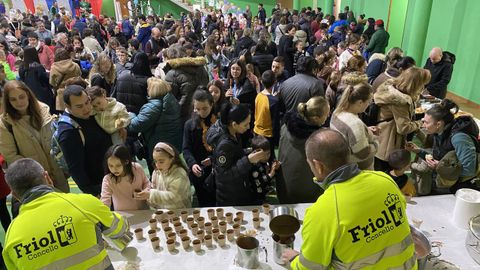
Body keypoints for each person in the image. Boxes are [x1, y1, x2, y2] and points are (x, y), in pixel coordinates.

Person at [282, 129, 417, 269]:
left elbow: (309, 267)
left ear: (317, 165)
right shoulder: (384, 179)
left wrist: (294, 259)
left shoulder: (322, 212)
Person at [2, 158, 129, 269]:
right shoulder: (84, 204)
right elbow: (121, 229)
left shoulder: (10, 239)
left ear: (14, 195)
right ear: (47, 178)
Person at [0, 80, 68, 193]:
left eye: (21, 97)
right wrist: (38, 174)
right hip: (33, 180)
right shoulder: (5, 124)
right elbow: (11, 156)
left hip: (58, 175)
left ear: (28, 94)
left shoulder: (44, 110)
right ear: (8, 101)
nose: (19, 102)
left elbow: (54, 143)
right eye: (13, 99)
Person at [406, 99, 479, 194]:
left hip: (458, 189)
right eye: (423, 121)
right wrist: (418, 151)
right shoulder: (438, 132)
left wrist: (440, 167)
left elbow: (469, 170)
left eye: (426, 122)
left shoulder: (459, 138)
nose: (423, 125)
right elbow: (439, 159)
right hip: (443, 180)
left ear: (438, 124)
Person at [206, 103, 269, 206]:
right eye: (245, 124)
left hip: (237, 188)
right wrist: (248, 160)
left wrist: (248, 152)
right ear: (234, 124)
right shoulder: (225, 144)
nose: (248, 127)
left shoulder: (233, 133)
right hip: (229, 196)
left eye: (249, 123)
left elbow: (234, 156)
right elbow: (224, 175)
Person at [58, 85, 112, 196]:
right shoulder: (68, 131)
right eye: (79, 106)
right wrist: (93, 192)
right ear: (68, 106)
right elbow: (75, 169)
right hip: (99, 186)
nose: (86, 109)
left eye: (87, 102)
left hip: (113, 176)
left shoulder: (93, 113)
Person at [373, 67, 431, 171]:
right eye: (422, 84)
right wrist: (420, 123)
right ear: (415, 84)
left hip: (381, 137)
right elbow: (404, 128)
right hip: (389, 142)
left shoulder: (393, 88)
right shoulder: (400, 101)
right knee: (387, 173)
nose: (423, 87)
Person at [277, 96, 329, 203]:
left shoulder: (285, 127)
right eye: (326, 114)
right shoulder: (320, 139)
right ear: (316, 118)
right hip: (307, 192)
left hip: (283, 185)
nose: (328, 116)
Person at [127, 78, 182, 172]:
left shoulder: (153, 106)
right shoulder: (171, 100)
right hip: (172, 144)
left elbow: (135, 125)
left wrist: (130, 115)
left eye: (148, 88)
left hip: (158, 146)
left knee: (158, 173)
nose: (147, 89)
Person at [330, 82, 378, 170]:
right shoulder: (355, 123)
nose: (369, 105)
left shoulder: (337, 112)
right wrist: (375, 142)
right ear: (360, 102)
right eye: (369, 101)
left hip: (343, 166)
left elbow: (348, 135)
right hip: (359, 169)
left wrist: (366, 130)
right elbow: (362, 153)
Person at [183, 90, 217, 207]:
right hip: (199, 170)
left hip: (217, 168)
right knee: (203, 201)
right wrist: (192, 164)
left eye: (205, 108)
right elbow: (186, 149)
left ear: (212, 105)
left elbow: (227, 147)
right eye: (197, 109)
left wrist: (213, 158)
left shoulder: (219, 123)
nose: (201, 112)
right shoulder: (189, 125)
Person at [135, 142, 191, 209]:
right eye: (155, 161)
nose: (157, 165)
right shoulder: (156, 172)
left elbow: (174, 197)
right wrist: (147, 195)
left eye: (161, 161)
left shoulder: (180, 173)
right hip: (164, 214)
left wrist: (151, 194)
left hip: (181, 213)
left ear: (172, 159)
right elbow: (154, 193)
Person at [164, 44, 209, 122]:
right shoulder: (200, 67)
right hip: (203, 110)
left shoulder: (172, 73)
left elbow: (170, 98)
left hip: (182, 115)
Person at [101, 144, 150, 210]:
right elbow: (105, 199)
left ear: (126, 162)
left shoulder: (137, 168)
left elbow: (146, 182)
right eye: (111, 166)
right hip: (123, 214)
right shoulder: (108, 179)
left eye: (118, 165)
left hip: (143, 210)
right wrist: (103, 211)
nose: (114, 169)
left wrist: (146, 191)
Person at [19, 46, 55, 112]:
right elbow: (45, 79)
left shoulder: (22, 67)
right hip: (43, 95)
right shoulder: (38, 67)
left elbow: (22, 78)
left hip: (30, 94)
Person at [254, 70, 280, 153]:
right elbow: (275, 122)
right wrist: (277, 140)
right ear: (275, 82)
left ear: (261, 81)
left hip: (256, 131)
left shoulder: (258, 95)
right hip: (267, 135)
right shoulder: (274, 101)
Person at [248, 135, 281, 202]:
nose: (266, 157)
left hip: (264, 191)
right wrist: (270, 175)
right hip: (256, 195)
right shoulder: (254, 166)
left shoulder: (264, 162)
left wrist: (275, 169)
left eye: (268, 153)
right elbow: (258, 183)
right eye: (263, 155)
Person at [50, 47, 82, 112]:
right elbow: (79, 75)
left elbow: (52, 82)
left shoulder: (54, 68)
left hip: (62, 95)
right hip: (76, 91)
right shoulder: (75, 65)